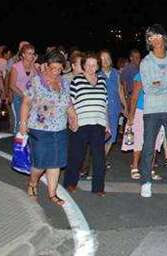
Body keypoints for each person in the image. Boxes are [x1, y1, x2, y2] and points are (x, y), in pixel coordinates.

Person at [20, 50, 77, 206]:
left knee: (55, 163)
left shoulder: (64, 82)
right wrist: (23, 124)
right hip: (39, 129)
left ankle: (52, 194)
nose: (56, 72)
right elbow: (26, 103)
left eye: (59, 69)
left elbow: (68, 103)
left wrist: (73, 118)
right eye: (53, 68)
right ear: (46, 65)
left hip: (59, 129)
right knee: (40, 163)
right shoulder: (36, 81)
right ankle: (33, 182)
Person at [139, 24, 167, 203]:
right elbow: (149, 89)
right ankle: (145, 182)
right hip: (151, 110)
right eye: (151, 38)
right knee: (149, 147)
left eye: (158, 36)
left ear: (164, 38)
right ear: (148, 42)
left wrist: (161, 83)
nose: (155, 40)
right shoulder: (145, 62)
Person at [64, 52, 109, 196]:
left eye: (94, 65)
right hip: (80, 123)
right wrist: (72, 122)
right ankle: (70, 183)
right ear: (83, 66)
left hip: (98, 123)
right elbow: (69, 103)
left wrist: (107, 123)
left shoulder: (102, 80)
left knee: (99, 158)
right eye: (88, 65)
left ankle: (98, 188)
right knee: (76, 156)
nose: (91, 67)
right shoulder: (77, 80)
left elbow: (105, 104)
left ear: (98, 66)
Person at [100, 50, 126, 162]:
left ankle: (103, 159)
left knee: (112, 136)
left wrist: (125, 106)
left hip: (114, 108)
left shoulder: (116, 73)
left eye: (107, 58)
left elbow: (120, 90)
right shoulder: (96, 73)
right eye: (102, 59)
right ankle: (101, 160)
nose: (105, 61)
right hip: (101, 110)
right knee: (102, 136)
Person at [8, 43, 38, 135]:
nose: (32, 56)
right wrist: (23, 95)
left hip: (31, 99)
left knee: (30, 122)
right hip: (18, 97)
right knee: (20, 122)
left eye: (33, 53)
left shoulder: (34, 67)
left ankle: (27, 145)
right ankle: (19, 147)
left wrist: (33, 65)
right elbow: (12, 85)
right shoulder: (16, 67)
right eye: (29, 53)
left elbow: (38, 81)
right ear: (23, 55)